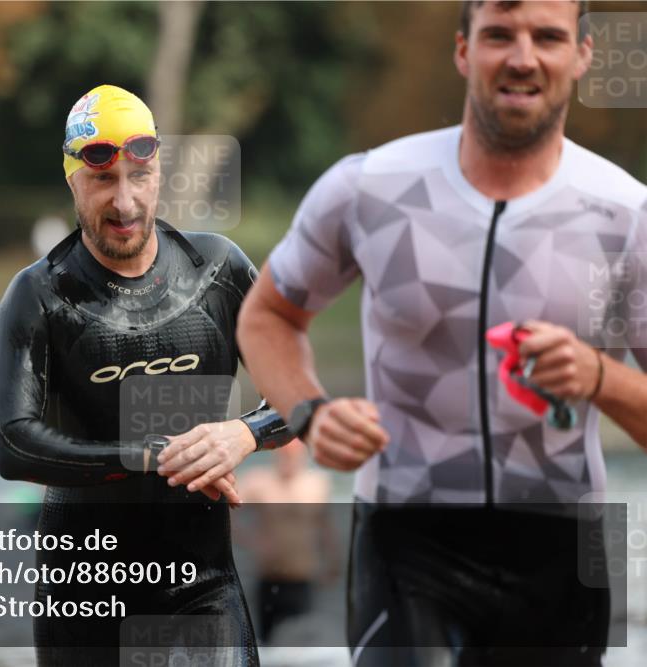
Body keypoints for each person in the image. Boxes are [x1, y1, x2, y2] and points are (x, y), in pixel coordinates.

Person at [237, 1, 647, 665]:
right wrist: (308, 412)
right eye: (498, 35)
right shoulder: (370, 187)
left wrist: (600, 375)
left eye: (547, 36)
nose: (522, 56)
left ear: (583, 55)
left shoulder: (626, 215)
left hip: (564, 546)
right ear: (463, 50)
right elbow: (267, 316)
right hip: (406, 532)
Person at [0, 84, 292, 666]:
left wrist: (243, 433)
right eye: (103, 179)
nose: (124, 202)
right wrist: (150, 455)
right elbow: (12, 444)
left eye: (139, 176)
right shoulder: (40, 296)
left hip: (200, 590)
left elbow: (303, 397)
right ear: (73, 179)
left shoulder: (217, 272)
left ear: (159, 175)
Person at [236, 440, 341, 644]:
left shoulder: (316, 484)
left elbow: (326, 527)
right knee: (266, 642)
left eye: (294, 455)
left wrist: (334, 561)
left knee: (301, 641)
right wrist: (251, 541)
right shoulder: (259, 482)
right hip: (268, 576)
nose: (289, 460)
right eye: (284, 454)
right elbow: (227, 512)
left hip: (302, 577)